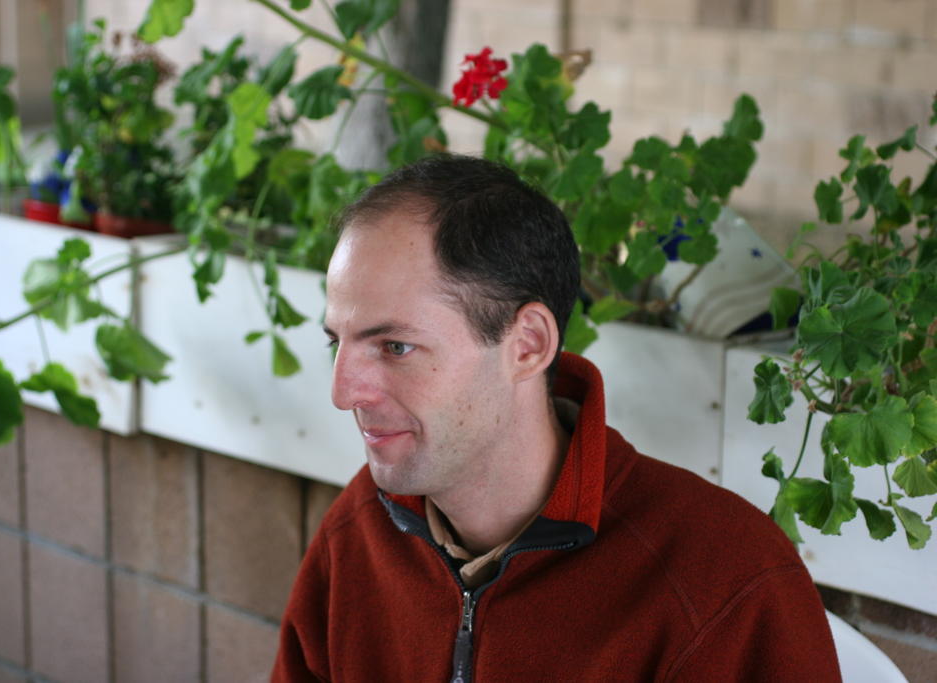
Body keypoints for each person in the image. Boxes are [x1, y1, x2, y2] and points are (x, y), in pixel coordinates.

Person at [272, 155, 841, 682]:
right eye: (337, 342)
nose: (343, 393)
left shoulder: (725, 582)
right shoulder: (359, 532)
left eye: (395, 347)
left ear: (528, 345)